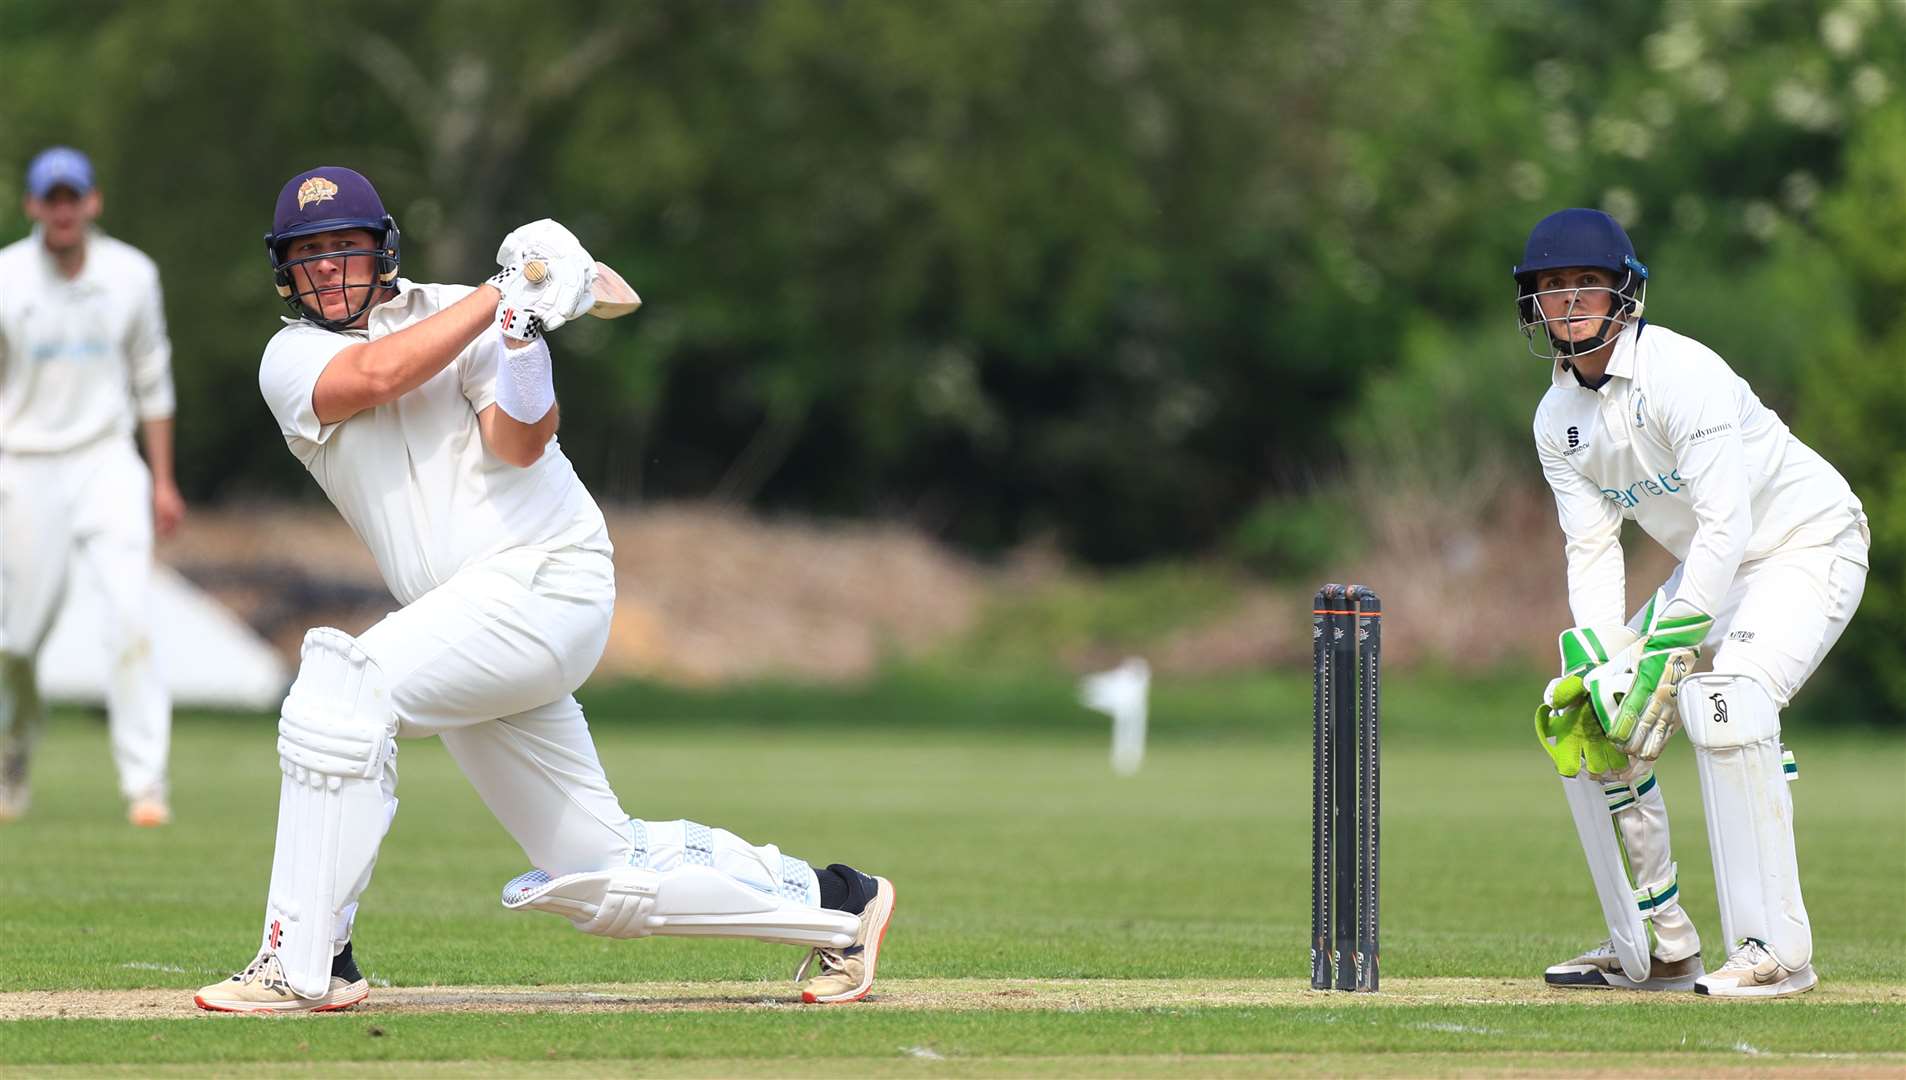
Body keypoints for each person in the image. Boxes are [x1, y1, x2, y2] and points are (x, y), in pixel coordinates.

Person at [193, 166, 895, 1013]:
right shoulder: (290, 357)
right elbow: (374, 379)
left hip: (545, 578)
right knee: (601, 873)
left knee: (342, 692)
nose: (329, 270)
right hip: (469, 616)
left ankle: (306, 962)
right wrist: (503, 297)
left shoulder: (467, 310)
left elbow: (523, 443)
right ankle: (838, 904)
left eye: (346, 248)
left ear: (383, 252)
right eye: (311, 256)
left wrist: (523, 334)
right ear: (285, 271)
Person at [1519, 208, 1867, 998]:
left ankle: (1776, 950)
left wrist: (1672, 651)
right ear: (1531, 304)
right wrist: (1612, 665)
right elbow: (1592, 549)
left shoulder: (1684, 374)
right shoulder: (1556, 420)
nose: (1567, 301)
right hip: (1718, 568)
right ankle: (1661, 945)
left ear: (1623, 294)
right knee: (1590, 711)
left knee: (1729, 693)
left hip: (1808, 543)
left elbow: (1727, 521)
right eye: (1549, 287)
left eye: (1585, 285)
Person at [0, 146, 183, 827]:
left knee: (131, 615)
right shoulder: (7, 277)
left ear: (93, 202)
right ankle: (11, 757)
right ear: (33, 207)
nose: (63, 210)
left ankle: (146, 785)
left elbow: (152, 379)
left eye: (72, 197)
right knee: (17, 639)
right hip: (24, 461)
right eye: (51, 198)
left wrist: (163, 480)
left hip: (108, 457)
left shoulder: (132, 274)